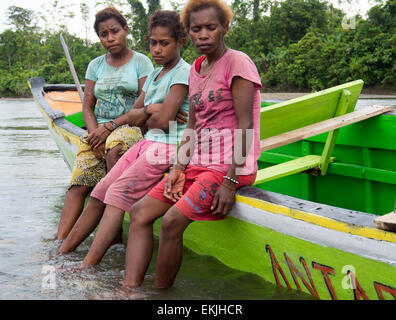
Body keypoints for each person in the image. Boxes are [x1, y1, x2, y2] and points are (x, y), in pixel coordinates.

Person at [121, 0, 262, 290]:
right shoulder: (196, 68)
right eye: (196, 29)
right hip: (196, 164)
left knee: (171, 221)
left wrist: (230, 182)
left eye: (211, 27)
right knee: (139, 212)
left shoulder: (237, 62)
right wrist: (178, 166)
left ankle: (160, 295)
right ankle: (128, 290)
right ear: (189, 32)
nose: (203, 35)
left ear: (224, 28)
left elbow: (245, 125)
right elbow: (192, 126)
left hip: (226, 168)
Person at [57, 10, 191, 265]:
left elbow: (162, 123)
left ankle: (87, 265)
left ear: (180, 42)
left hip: (166, 146)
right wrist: (151, 109)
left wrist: (145, 114)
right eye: (153, 43)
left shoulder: (182, 73)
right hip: (147, 142)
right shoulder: (155, 74)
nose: (158, 49)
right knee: (100, 190)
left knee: (116, 191)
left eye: (164, 43)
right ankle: (61, 253)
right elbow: (134, 115)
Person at [57, 6, 154, 240]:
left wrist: (108, 129)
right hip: (98, 132)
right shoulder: (96, 65)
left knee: (115, 151)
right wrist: (94, 135)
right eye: (103, 34)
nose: (110, 38)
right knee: (79, 185)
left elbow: (142, 107)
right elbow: (87, 106)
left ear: (125, 30)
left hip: (132, 128)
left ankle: (114, 227)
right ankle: (58, 242)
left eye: (114, 31)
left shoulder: (142, 63)